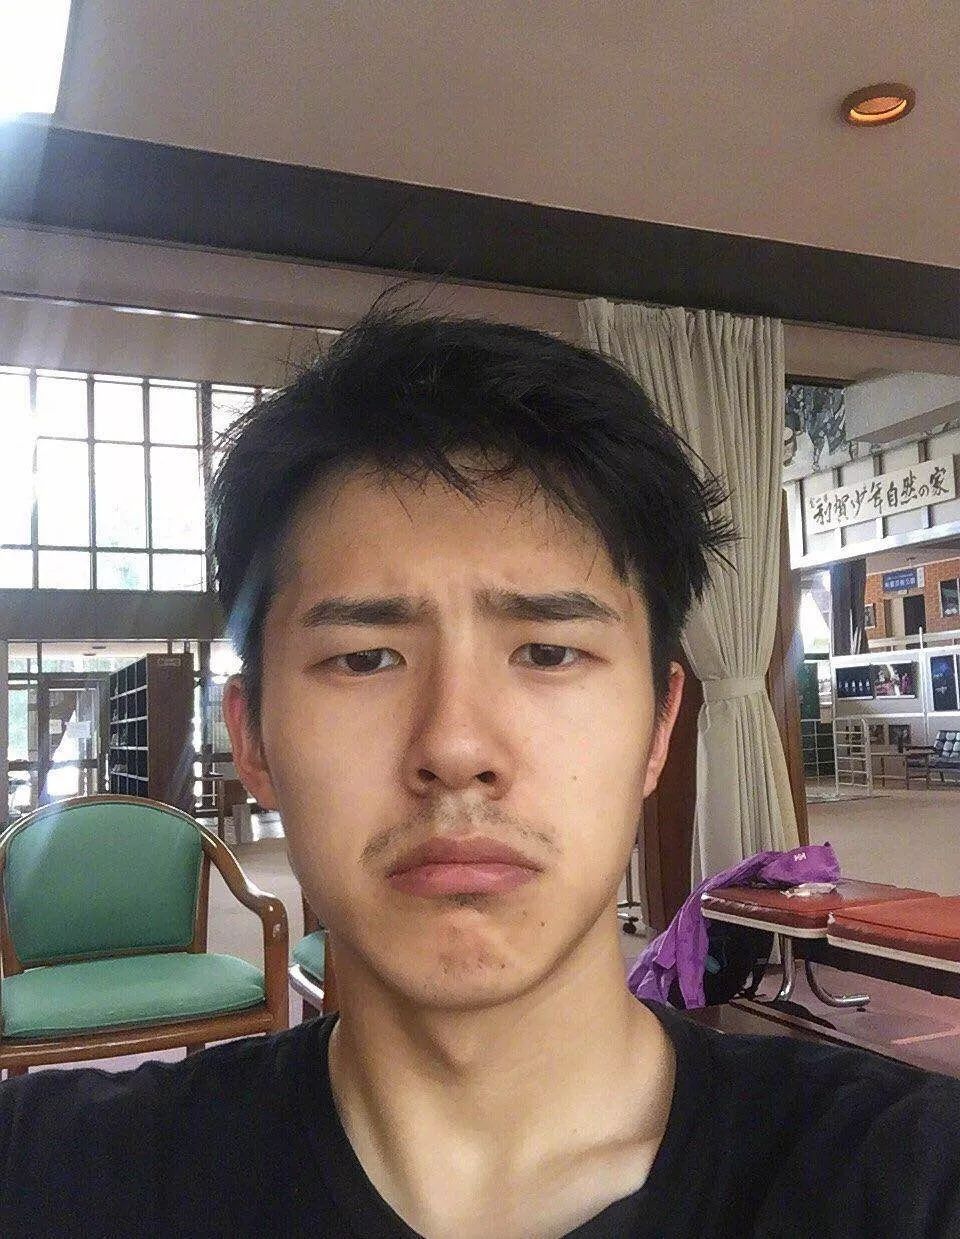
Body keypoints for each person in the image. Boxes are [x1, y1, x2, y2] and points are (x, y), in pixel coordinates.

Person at [2, 303, 959, 1238]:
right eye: (365, 658)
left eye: (547, 652)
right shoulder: (60, 1173)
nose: (456, 746)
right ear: (252, 739)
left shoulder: (904, 1178)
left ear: (659, 725)